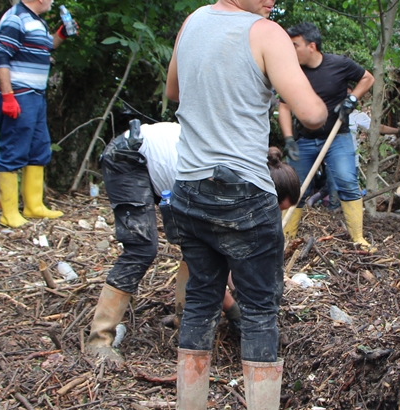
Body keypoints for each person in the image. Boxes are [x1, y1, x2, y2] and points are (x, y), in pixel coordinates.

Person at [164, 0, 326, 410]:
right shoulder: (266, 34)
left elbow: (173, 92)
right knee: (259, 309)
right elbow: (312, 115)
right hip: (242, 191)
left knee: (203, 299)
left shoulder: (190, 24)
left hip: (188, 189)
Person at [87, 123, 290, 368]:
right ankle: (99, 339)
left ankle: (183, 318)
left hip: (166, 170)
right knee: (141, 248)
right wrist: (235, 310)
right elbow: (215, 256)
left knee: (196, 243)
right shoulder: (223, 180)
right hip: (130, 157)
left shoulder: (240, 169)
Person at [279, 22, 375, 249]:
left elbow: (367, 78)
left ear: (311, 46)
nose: (291, 51)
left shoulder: (339, 65)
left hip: (337, 137)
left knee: (346, 180)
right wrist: (288, 138)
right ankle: (286, 237)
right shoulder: (293, 72)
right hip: (303, 139)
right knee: (295, 187)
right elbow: (284, 106)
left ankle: (358, 238)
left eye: (295, 45)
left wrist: (351, 100)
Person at [0, 0, 73, 228]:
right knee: (13, 148)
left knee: (39, 148)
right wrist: (7, 96)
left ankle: (33, 205)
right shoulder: (15, 18)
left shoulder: (36, 21)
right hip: (19, 95)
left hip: (36, 95)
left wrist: (61, 34)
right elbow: (1, 58)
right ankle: (9, 212)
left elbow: (45, 47)